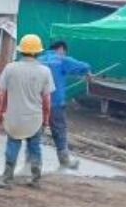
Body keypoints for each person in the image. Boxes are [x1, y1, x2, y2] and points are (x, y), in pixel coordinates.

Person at [0, 34, 55, 189]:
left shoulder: (10, 68)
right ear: (37, 51)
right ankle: (35, 179)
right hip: (35, 118)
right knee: (35, 148)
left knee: (12, 146)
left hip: (14, 118)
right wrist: (46, 119)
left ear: (21, 50)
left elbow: (1, 95)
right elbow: (47, 101)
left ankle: (7, 179)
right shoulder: (45, 71)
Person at [38, 40, 91, 169]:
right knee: (59, 131)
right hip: (55, 103)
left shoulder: (39, 60)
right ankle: (64, 161)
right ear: (61, 49)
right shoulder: (61, 59)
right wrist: (88, 72)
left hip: (37, 104)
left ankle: (30, 162)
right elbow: (83, 66)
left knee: (36, 133)